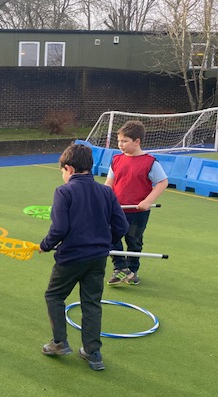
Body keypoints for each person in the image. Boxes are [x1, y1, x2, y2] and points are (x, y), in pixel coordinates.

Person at [40, 143, 129, 371]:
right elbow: (122, 225)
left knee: (54, 296)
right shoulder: (106, 191)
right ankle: (93, 352)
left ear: (68, 168)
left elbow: (59, 228)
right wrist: (106, 242)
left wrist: (45, 245)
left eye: (62, 171)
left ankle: (59, 342)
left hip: (71, 257)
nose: (62, 175)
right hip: (97, 257)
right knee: (91, 303)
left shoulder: (64, 191)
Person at [105, 120, 168, 286]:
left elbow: (162, 182)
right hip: (116, 209)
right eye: (119, 141)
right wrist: (104, 199)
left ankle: (132, 271)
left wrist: (147, 201)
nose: (120, 144)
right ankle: (120, 268)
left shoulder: (150, 162)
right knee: (111, 237)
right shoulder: (116, 160)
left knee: (134, 241)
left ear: (137, 141)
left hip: (138, 212)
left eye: (124, 141)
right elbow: (109, 183)